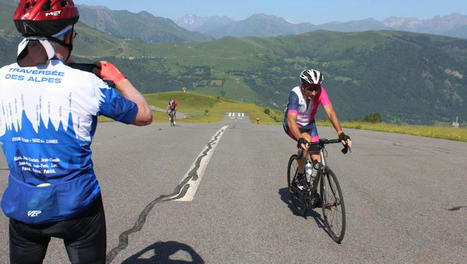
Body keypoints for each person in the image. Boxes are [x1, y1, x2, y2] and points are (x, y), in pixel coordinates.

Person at [0, 1, 152, 263]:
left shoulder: (2, 77)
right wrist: (119, 78)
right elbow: (144, 115)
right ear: (67, 36)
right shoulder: (88, 84)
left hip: (23, 202)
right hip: (76, 206)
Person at [283, 69, 351, 189]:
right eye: (310, 89)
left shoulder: (321, 92)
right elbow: (291, 120)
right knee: (305, 142)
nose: (314, 93)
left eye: (316, 89)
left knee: (317, 161)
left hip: (309, 125)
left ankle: (311, 192)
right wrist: (300, 138)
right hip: (293, 125)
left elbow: (330, 112)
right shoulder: (295, 94)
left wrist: (340, 133)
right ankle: (299, 175)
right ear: (303, 86)